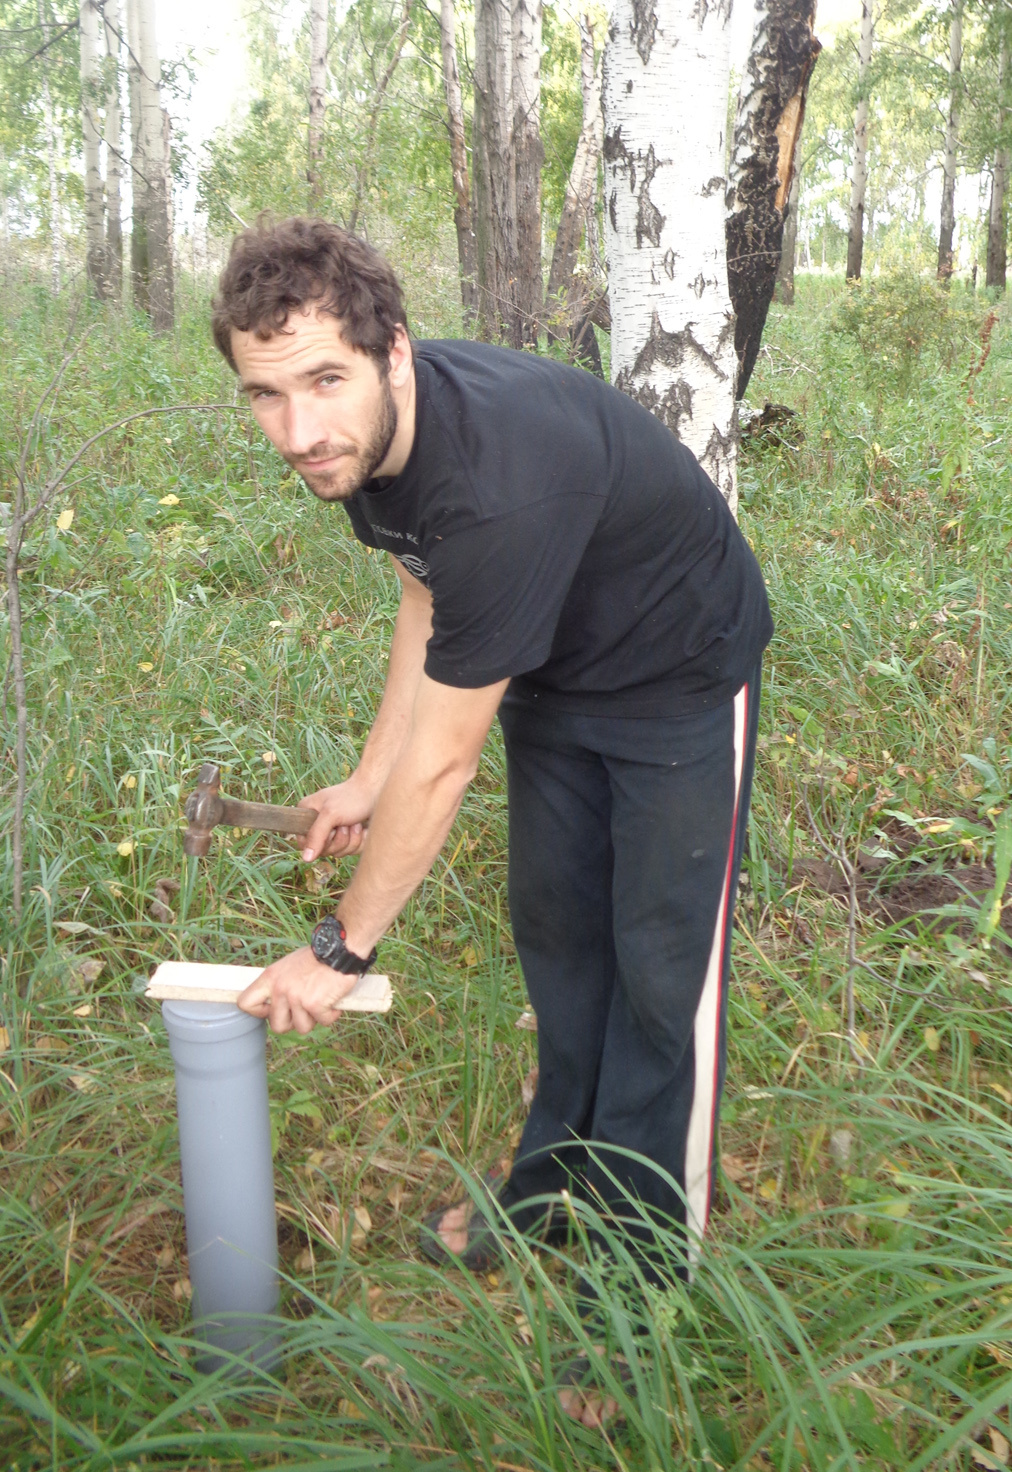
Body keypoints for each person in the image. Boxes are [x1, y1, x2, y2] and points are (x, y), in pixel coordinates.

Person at [215, 217, 772, 1426]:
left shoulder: (500, 475)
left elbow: (448, 758)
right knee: (560, 943)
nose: (299, 430)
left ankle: (632, 1288)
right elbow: (427, 591)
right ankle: (544, 1189)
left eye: (322, 382)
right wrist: (366, 774)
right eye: (266, 394)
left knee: (656, 987)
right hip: (556, 675)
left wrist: (341, 944)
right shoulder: (368, 453)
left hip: (681, 676)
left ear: (391, 355)